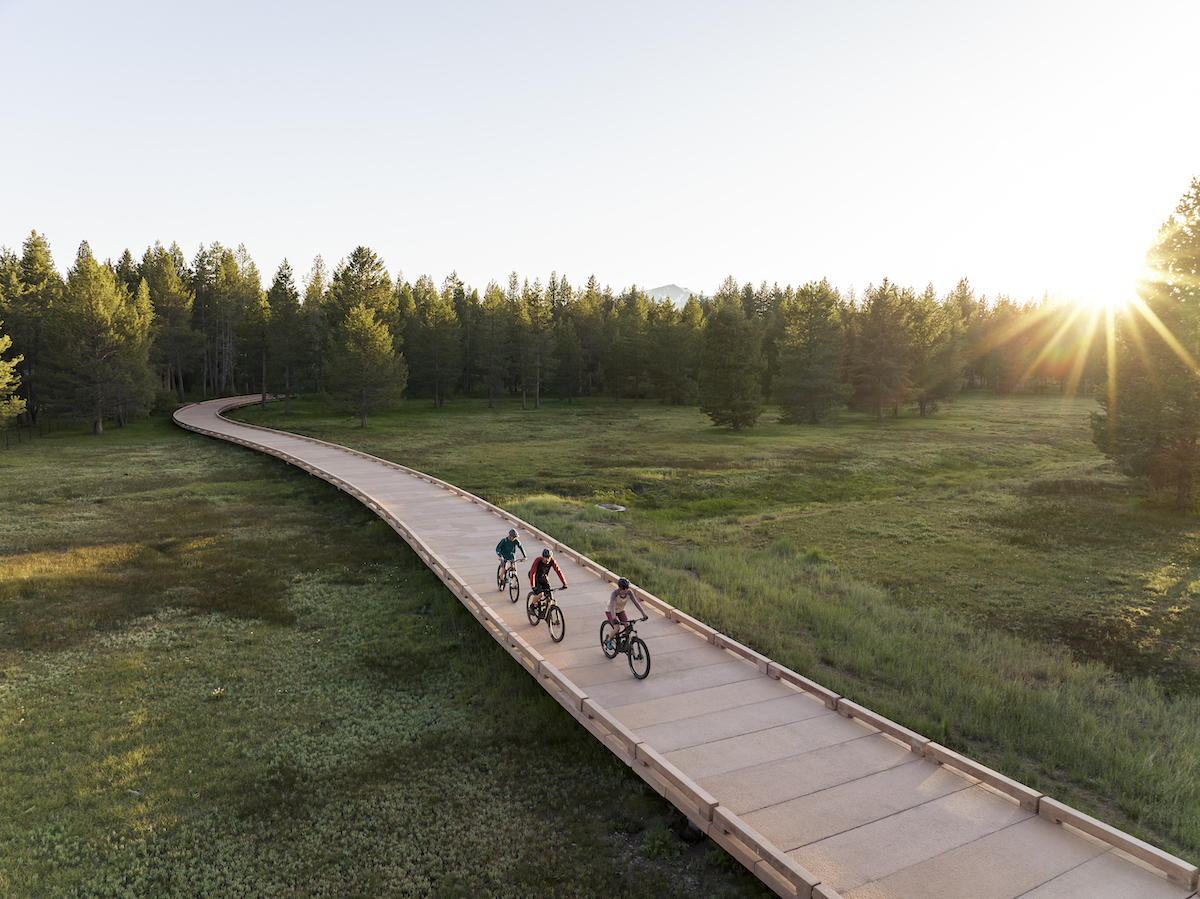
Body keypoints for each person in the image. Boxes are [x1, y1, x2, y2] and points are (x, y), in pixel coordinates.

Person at [606, 577, 647, 649]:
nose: (626, 589)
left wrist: (644, 614)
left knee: (627, 627)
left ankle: (627, 645)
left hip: (621, 610)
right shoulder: (615, 593)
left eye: (627, 587)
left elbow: (636, 603)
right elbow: (612, 606)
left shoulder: (629, 592)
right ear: (620, 588)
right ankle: (608, 640)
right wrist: (614, 618)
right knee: (617, 628)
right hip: (610, 611)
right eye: (624, 588)